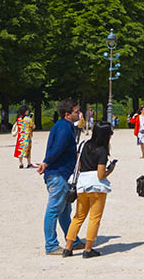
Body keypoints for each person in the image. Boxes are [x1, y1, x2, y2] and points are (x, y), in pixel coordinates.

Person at [37, 99, 85, 255]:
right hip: (58, 174)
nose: (79, 113)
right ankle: (51, 245)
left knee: (64, 211)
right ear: (67, 114)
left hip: (60, 174)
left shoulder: (63, 126)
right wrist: (46, 162)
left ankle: (73, 240)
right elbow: (57, 148)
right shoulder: (64, 128)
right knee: (54, 210)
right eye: (76, 112)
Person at [62, 121, 116, 258]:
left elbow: (78, 167)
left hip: (82, 185)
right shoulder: (102, 150)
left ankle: (68, 248)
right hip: (96, 187)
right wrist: (111, 169)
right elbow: (101, 174)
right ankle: (88, 249)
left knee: (78, 217)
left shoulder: (84, 145)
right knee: (94, 218)